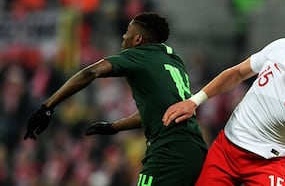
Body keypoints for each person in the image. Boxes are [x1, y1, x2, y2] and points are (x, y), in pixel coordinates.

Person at [24, 12, 207, 186]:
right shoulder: (174, 60)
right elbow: (156, 112)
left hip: (169, 151)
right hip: (195, 149)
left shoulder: (139, 54)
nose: (123, 36)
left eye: (128, 32)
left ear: (138, 39)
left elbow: (90, 72)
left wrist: (47, 107)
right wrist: (113, 127)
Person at [162, 27, 285, 186]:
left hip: (268, 164)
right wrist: (195, 100)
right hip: (226, 149)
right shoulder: (282, 48)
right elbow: (237, 73)